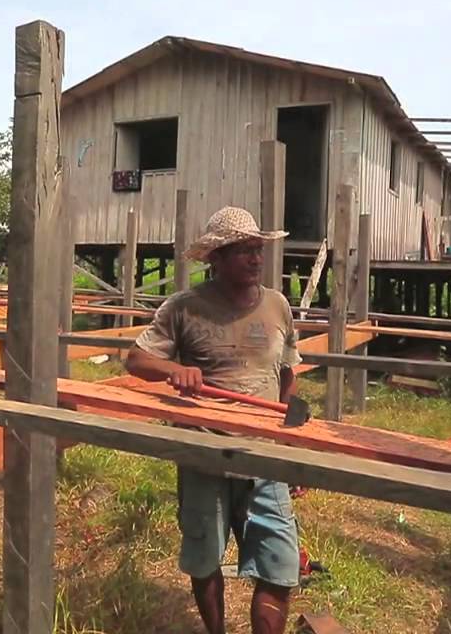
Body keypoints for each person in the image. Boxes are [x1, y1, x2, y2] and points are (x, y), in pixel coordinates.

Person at [125, 206, 301, 634]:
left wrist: (290, 443)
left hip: (264, 458)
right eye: (242, 251)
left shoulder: (278, 306)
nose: (255, 258)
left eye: (257, 249)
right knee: (204, 560)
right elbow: (135, 359)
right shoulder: (185, 308)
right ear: (215, 258)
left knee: (279, 566)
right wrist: (173, 371)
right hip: (204, 453)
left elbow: (289, 372)